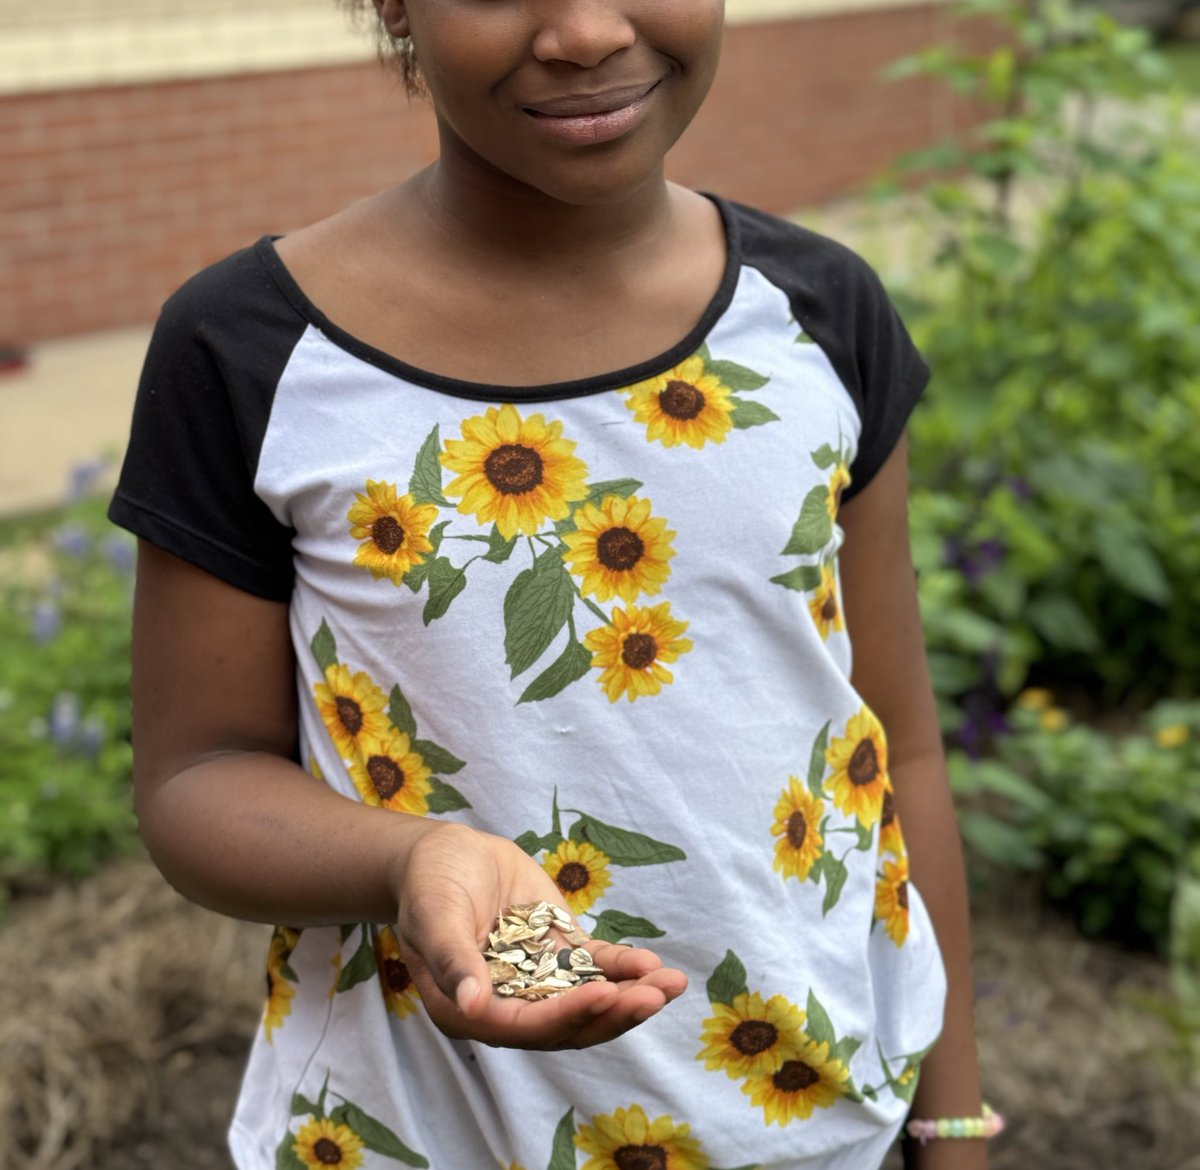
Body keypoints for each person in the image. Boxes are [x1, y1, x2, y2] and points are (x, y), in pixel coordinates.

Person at [109, 2, 995, 1167]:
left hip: (822, 1121)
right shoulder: (256, 354)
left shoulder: (818, 321)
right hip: (424, 1132)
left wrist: (953, 1119)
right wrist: (410, 860)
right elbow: (197, 777)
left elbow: (898, 755)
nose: (583, 32)